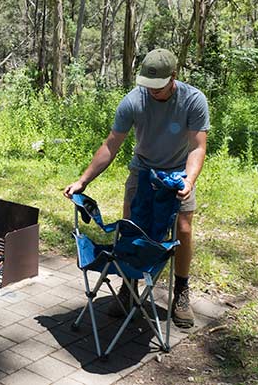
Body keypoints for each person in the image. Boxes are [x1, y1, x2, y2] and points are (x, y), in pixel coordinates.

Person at [63, 48, 209, 328]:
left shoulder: (193, 100)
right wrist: (83, 180)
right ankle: (128, 287)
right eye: (148, 86)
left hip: (179, 171)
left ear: (173, 78)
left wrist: (189, 181)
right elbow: (110, 145)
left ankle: (181, 292)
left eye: (159, 87)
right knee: (131, 226)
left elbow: (197, 147)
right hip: (143, 170)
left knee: (184, 229)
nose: (152, 92)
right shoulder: (133, 100)